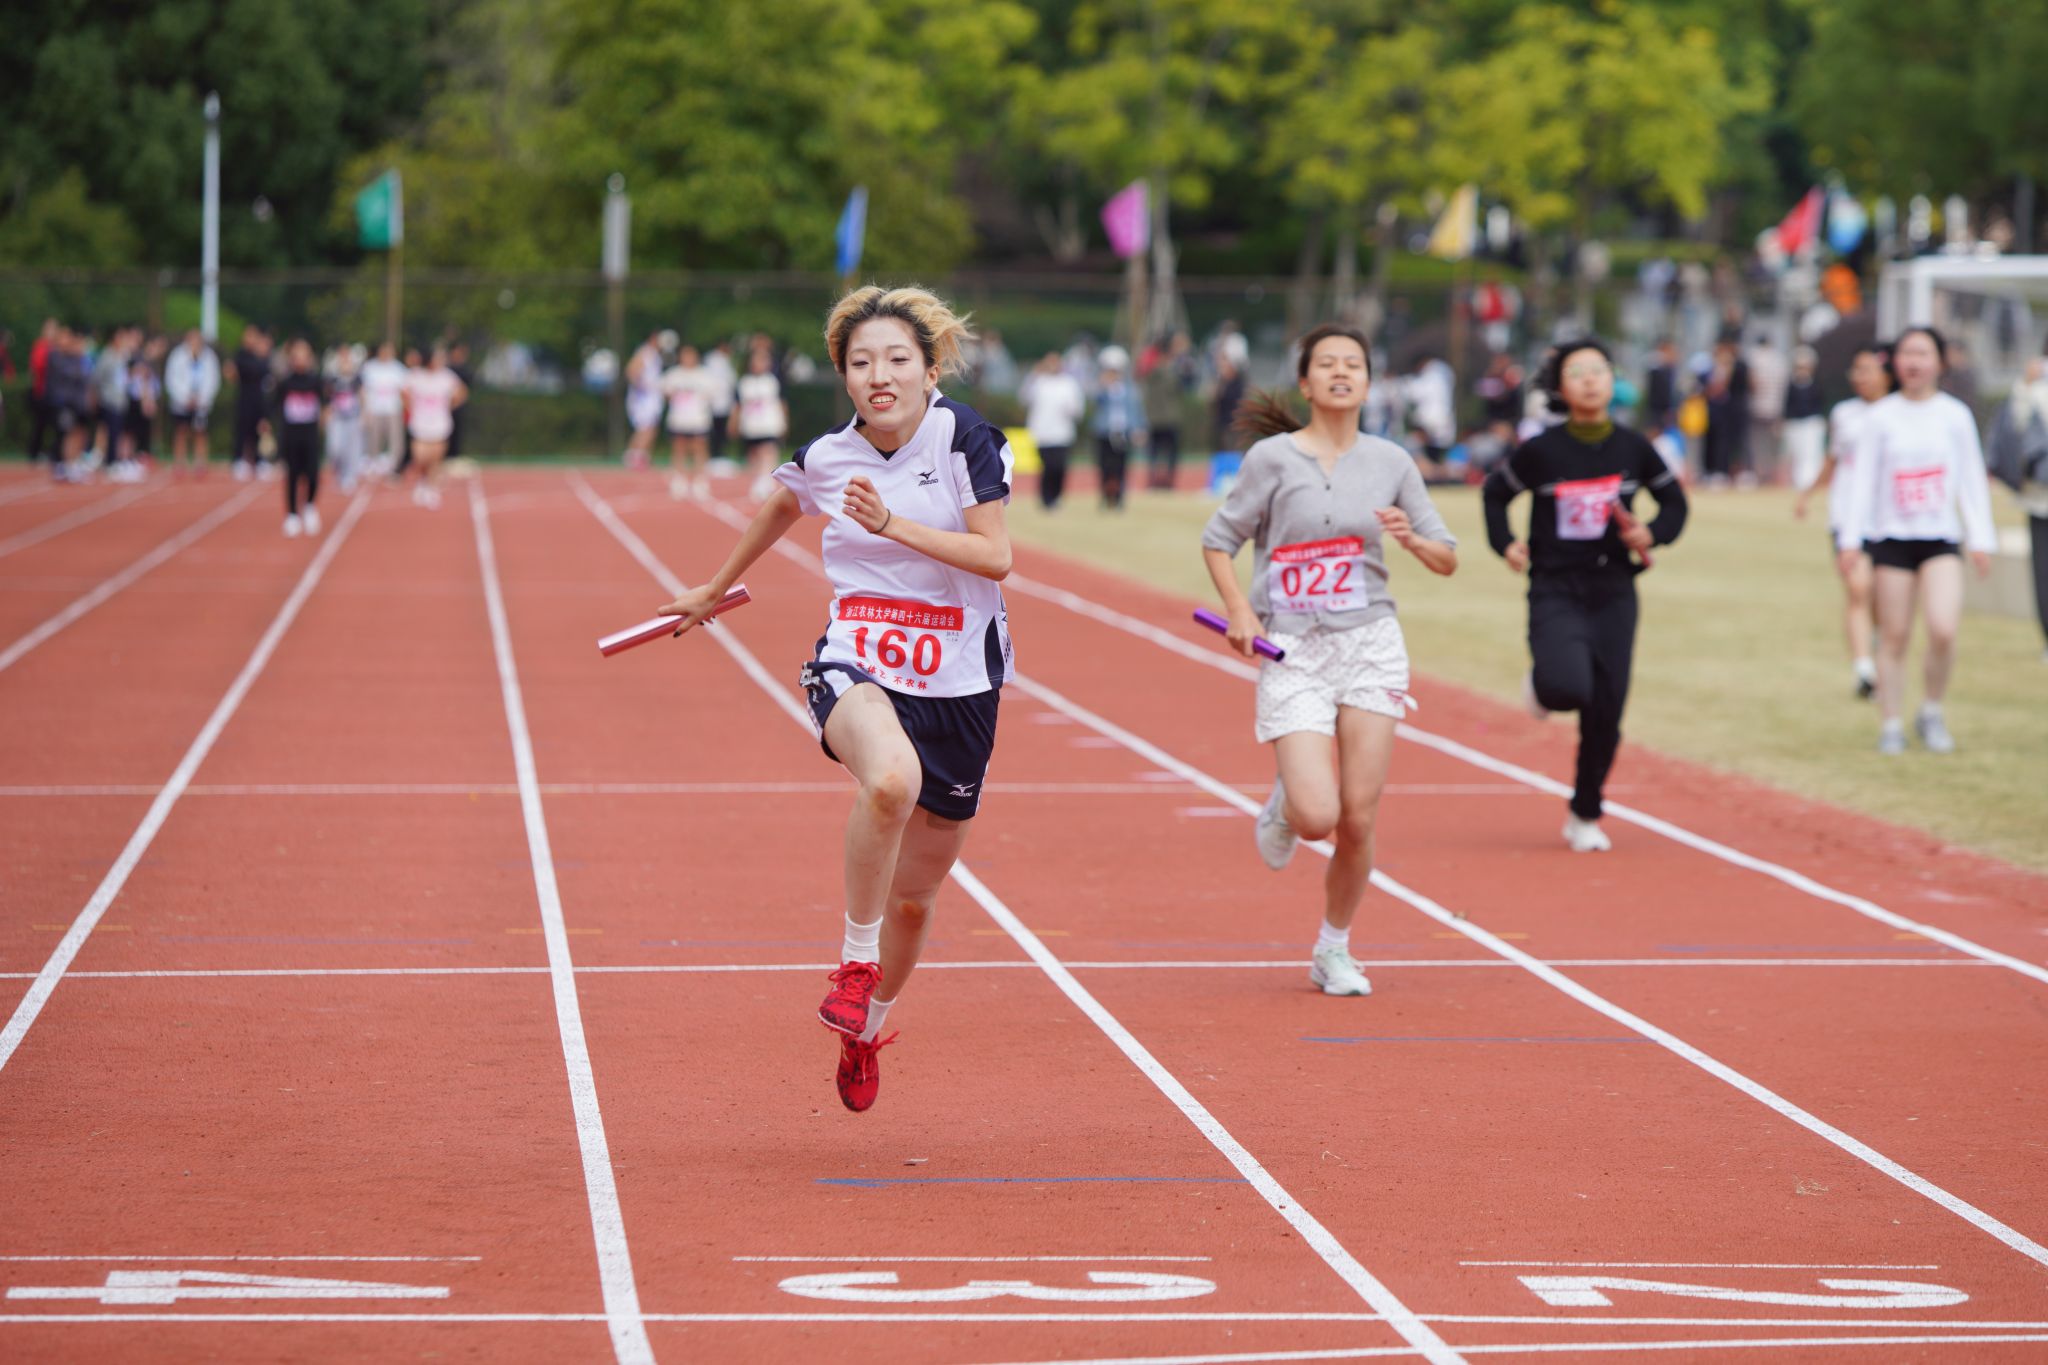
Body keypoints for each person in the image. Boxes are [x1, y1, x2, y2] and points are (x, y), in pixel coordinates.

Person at [654, 285, 1013, 1113]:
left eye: (896, 359)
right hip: (859, 656)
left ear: (929, 370)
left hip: (961, 679)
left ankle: (866, 1027)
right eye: (860, 363)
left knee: (915, 899)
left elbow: (995, 557)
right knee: (889, 781)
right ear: (843, 376)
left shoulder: (963, 437)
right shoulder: (828, 455)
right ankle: (854, 963)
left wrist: (890, 524)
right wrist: (715, 585)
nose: (878, 376)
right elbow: (786, 499)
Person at [1201, 323, 1458, 997]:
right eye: (1328, 364)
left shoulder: (1392, 462)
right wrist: (1240, 609)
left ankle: (1333, 948)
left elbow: (1447, 556)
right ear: (1306, 382)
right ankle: (1288, 802)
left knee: (1358, 818)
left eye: (1354, 364)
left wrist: (1412, 541)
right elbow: (1218, 540)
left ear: (1369, 383)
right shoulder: (1271, 460)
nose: (1342, 372)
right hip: (1293, 646)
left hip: (1370, 642)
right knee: (1318, 815)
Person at [1482, 338, 1689, 851]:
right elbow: (1495, 493)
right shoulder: (1541, 451)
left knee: (1607, 709)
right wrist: (1506, 543)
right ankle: (1542, 684)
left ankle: (1585, 812)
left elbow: (1674, 504)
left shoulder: (1633, 447)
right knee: (1567, 687)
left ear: (1613, 381)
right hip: (1555, 585)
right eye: (1577, 373)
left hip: (1614, 588)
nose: (1591, 380)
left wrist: (1652, 534)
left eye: (1599, 370)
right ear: (1559, 388)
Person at [1834, 327, 1996, 754]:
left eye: (1923, 353)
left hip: (1940, 537)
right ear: (1895, 363)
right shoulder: (1881, 417)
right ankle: (1890, 722)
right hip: (1893, 539)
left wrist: (1981, 536)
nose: (1914, 362)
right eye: (1907, 353)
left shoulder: (1955, 416)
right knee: (1895, 634)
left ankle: (1931, 710)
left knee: (1943, 628)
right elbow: (1862, 481)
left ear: (1939, 362)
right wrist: (1851, 539)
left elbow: (1971, 478)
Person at [1795, 344, 1891, 698]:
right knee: (1857, 588)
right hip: (1847, 517)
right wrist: (1807, 494)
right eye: (1856, 370)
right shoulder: (1844, 414)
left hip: (1888, 520)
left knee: (1882, 598)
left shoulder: (1899, 413)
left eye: (1868, 369)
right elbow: (1833, 459)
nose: (1860, 377)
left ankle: (1879, 652)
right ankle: (1863, 668)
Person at [271, 339, 328, 536]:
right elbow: (274, 405)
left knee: (312, 473)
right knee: (293, 474)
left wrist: (325, 417)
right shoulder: (285, 382)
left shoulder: (315, 381)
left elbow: (325, 402)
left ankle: (310, 506)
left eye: (305, 356)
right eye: (297, 356)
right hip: (291, 434)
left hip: (310, 434)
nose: (301, 360)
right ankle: (292, 514)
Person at [403, 346, 468, 510]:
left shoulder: (446, 376)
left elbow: (461, 392)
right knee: (420, 457)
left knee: (436, 458)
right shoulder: (416, 375)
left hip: (440, 422)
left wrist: (450, 405)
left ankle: (431, 488)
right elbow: (403, 392)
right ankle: (422, 482)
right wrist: (409, 407)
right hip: (420, 422)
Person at [1021, 351, 1085, 510]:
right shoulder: (1039, 382)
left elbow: (1077, 408)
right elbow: (1024, 398)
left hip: (1062, 433)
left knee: (1059, 467)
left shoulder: (1068, 383)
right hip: (1042, 433)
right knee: (1047, 466)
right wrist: (1033, 375)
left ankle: (1057, 495)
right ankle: (1046, 498)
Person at [660, 344, 717, 500]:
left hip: (698, 419)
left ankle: (700, 480)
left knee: (699, 448)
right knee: (679, 448)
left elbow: (711, 396)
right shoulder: (673, 375)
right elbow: (665, 394)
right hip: (679, 418)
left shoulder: (704, 375)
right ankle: (679, 479)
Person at [1091, 346, 1144, 509]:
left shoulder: (1129, 389)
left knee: (1121, 466)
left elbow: (1135, 410)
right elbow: (1095, 400)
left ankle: (1119, 497)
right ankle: (1105, 495)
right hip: (1105, 432)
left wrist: (1138, 428)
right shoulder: (1102, 388)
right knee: (1104, 466)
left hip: (1123, 433)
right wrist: (1103, 385)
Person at [1141, 332, 1195, 490]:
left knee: (1161, 453)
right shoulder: (1167, 371)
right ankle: (1161, 481)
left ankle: (1160, 480)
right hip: (1165, 418)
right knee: (1162, 453)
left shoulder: (1162, 371)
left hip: (1162, 418)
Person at [735, 345, 789, 500]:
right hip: (751, 425)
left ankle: (766, 480)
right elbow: (739, 405)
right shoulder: (745, 382)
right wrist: (736, 423)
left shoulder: (773, 381)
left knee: (768, 450)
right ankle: (758, 479)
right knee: (754, 453)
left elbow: (781, 402)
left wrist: (784, 421)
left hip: (769, 423)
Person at [164, 330, 221, 476]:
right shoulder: (177, 355)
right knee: (181, 430)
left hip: (201, 402)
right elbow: (171, 379)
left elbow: (213, 380)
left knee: (200, 432)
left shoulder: (209, 357)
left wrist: (202, 398)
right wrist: (184, 397)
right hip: (181, 402)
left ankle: (200, 462)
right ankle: (179, 462)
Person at [229, 325, 272, 481]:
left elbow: (267, 375)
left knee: (260, 430)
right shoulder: (240, 355)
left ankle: (260, 461)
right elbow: (234, 373)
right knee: (242, 430)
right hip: (244, 398)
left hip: (259, 399)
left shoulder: (262, 357)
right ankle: (239, 460)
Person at [1781, 346, 1826, 492]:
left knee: (1811, 453)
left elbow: (1820, 403)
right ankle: (1799, 482)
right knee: (1798, 454)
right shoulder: (1792, 384)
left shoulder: (1816, 384)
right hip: (1795, 424)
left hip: (1811, 422)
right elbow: (1787, 405)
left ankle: (1809, 482)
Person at [359, 342, 408, 477]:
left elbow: (404, 391)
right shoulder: (369, 368)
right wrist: (365, 409)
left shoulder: (399, 368)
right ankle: (372, 464)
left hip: (393, 409)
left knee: (396, 441)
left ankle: (395, 468)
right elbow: (363, 390)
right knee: (373, 440)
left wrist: (404, 409)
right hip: (375, 410)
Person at [326, 346, 367, 493]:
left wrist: (364, 414)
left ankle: (349, 475)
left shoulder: (356, 378)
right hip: (337, 418)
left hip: (352, 418)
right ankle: (339, 470)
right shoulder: (333, 378)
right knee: (335, 448)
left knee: (352, 449)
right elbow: (327, 397)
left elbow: (362, 395)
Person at [623, 331, 665, 470]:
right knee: (644, 428)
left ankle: (643, 456)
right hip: (643, 398)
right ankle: (634, 457)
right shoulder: (645, 352)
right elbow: (631, 370)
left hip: (652, 397)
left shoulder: (655, 354)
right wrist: (640, 387)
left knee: (651, 429)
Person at [26, 318, 58, 466]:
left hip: (54, 392)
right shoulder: (40, 346)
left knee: (55, 425)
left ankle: (51, 452)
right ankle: (34, 452)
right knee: (40, 424)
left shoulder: (56, 347)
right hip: (41, 391)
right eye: (49, 329)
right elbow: (36, 367)